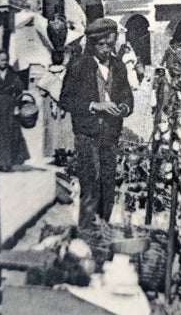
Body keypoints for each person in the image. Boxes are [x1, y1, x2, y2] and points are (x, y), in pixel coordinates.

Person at [60, 18, 134, 229]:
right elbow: (65, 100)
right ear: (93, 43)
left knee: (108, 185)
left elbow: (128, 97)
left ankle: (104, 231)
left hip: (110, 133)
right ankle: (86, 234)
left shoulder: (119, 67)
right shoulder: (79, 66)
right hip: (87, 134)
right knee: (91, 185)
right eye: (102, 44)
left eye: (110, 45)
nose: (106, 50)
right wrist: (95, 105)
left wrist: (123, 108)